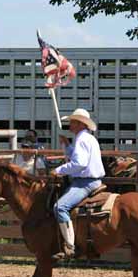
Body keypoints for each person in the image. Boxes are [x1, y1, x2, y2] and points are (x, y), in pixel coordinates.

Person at [50, 108, 105, 260]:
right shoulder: (88, 138)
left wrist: (59, 170)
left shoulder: (81, 139)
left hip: (85, 182)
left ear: (80, 124)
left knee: (60, 207)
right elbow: (78, 157)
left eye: (73, 121)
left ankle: (70, 246)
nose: (70, 124)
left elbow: (79, 163)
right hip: (91, 180)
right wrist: (67, 146)